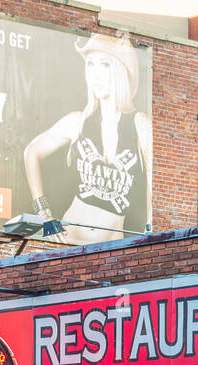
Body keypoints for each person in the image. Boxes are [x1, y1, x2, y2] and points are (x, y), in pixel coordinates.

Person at [23, 33, 152, 245]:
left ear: (121, 71)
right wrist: (44, 214)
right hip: (67, 241)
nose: (96, 73)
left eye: (105, 65)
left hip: (109, 248)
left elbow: (153, 186)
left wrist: (150, 228)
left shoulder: (141, 126)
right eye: (90, 64)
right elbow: (31, 152)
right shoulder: (78, 121)